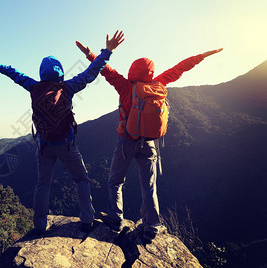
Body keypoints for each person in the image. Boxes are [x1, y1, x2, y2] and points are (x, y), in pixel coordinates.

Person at [0, 29, 125, 234]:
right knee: (81, 180)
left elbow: (16, 75)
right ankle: (86, 220)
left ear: (42, 73)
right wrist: (107, 51)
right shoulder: (68, 87)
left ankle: (39, 224)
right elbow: (92, 72)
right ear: (61, 72)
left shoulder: (33, 87)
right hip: (67, 145)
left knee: (42, 185)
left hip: (44, 145)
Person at [76, 39, 222, 240]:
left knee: (115, 181)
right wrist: (201, 56)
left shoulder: (125, 86)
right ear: (150, 72)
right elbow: (180, 67)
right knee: (149, 187)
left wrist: (90, 54)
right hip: (150, 143)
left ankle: (116, 217)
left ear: (132, 70)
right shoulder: (159, 83)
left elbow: (106, 69)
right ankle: (151, 226)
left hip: (127, 141)